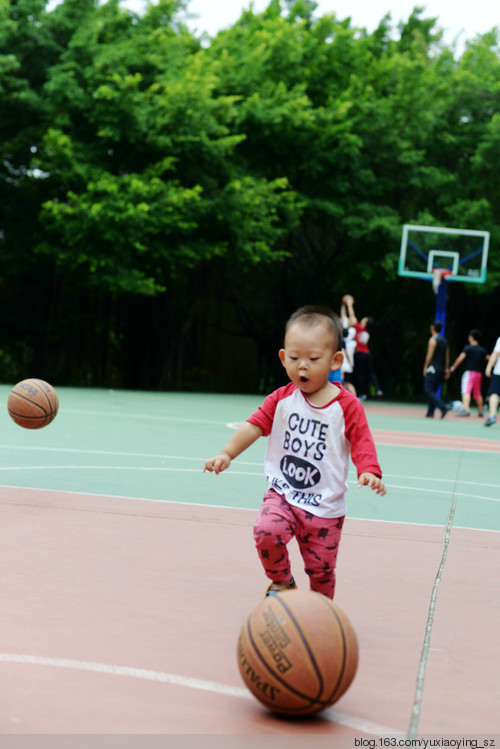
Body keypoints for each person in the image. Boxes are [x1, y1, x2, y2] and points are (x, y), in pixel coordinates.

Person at [204, 305, 386, 600]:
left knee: (322, 571)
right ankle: (282, 582)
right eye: (294, 358)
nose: (303, 366)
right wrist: (227, 453)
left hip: (325, 507)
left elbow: (362, 441)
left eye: (313, 359)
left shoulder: (347, 405)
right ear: (282, 358)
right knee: (266, 532)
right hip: (284, 494)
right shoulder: (282, 399)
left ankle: (320, 613)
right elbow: (253, 426)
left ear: (335, 360)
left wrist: (369, 471)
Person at [343, 295, 382, 401]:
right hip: (367, 354)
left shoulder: (360, 329)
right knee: (369, 372)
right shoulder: (367, 332)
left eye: (363, 320)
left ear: (364, 323)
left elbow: (352, 316)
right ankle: (378, 388)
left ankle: (361, 394)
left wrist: (349, 304)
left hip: (360, 353)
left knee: (359, 374)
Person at [449, 329, 489, 417]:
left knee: (466, 391)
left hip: (470, 373)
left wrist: (453, 367)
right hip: (478, 374)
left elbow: (460, 359)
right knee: (477, 393)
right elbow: (489, 359)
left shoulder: (468, 348)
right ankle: (481, 411)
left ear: (471, 337)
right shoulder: (482, 350)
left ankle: (466, 409)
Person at [423, 321, 450, 418]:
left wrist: (425, 367)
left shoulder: (433, 340)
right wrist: (447, 369)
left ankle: (443, 407)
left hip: (433, 368)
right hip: (441, 370)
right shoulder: (444, 341)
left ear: (432, 328)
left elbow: (429, 355)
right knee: (433, 390)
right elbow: (447, 357)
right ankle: (430, 413)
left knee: (428, 390)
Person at [484, 336, 500, 427]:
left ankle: (492, 415)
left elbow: (495, 353)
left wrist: (489, 366)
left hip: (499, 372)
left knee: (494, 393)